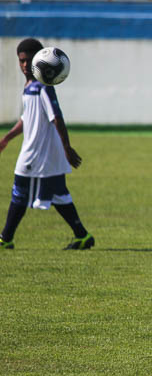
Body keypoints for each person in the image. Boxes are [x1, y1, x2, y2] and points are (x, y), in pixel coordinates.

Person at [0, 38, 94, 250]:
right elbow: (26, 119)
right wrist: (6, 138)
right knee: (59, 195)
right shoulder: (29, 87)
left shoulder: (43, 87)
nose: (25, 65)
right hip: (41, 152)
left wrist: (67, 147)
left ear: (40, 60)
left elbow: (56, 117)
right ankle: (82, 236)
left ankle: (5, 238)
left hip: (38, 153)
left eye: (29, 60)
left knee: (20, 192)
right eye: (21, 61)